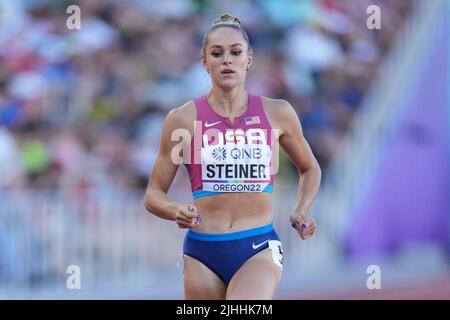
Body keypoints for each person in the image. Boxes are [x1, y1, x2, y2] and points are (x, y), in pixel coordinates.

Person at [144, 13, 321, 300]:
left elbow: (310, 169)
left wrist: (301, 209)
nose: (227, 60)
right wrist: (175, 210)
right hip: (201, 252)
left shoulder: (277, 113)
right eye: (217, 53)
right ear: (205, 62)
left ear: (248, 59)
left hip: (258, 245)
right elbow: (153, 193)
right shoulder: (182, 119)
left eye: (235, 52)